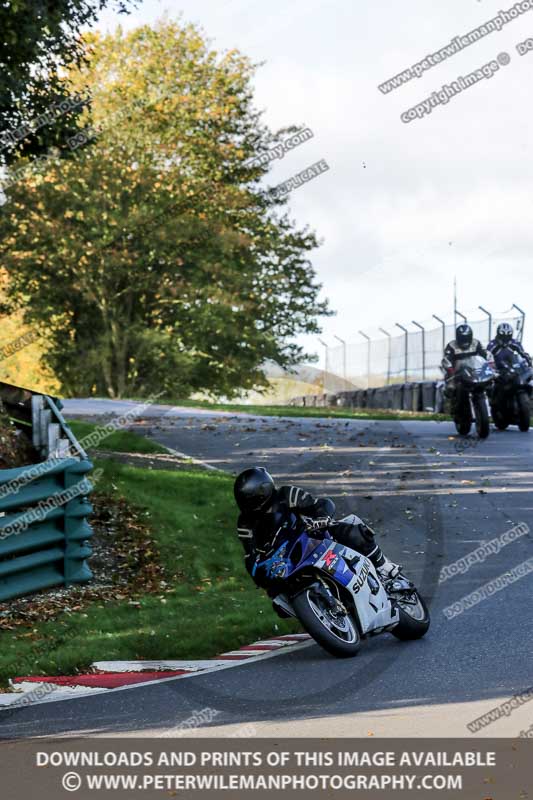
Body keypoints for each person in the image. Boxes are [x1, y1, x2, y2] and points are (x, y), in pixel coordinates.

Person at [234, 467, 401, 595]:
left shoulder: (286, 494)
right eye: (244, 501)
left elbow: (320, 504)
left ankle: (384, 567)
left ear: (264, 491)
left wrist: (320, 517)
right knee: (278, 601)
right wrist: (259, 577)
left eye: (252, 499)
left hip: (314, 536)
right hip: (286, 560)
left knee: (352, 532)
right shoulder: (244, 524)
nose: (249, 505)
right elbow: (251, 555)